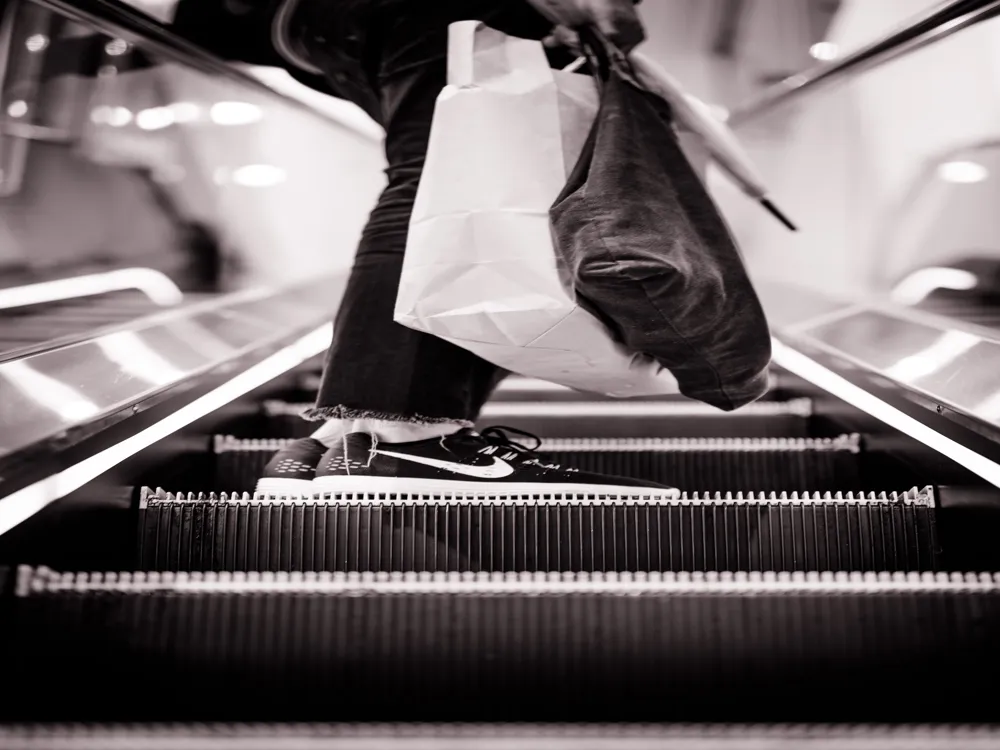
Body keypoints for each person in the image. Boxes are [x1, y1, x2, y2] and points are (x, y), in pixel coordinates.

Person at [174, 0, 676, 497]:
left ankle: (344, 439)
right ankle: (401, 437)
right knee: (446, 184)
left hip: (309, 22)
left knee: (451, 182)